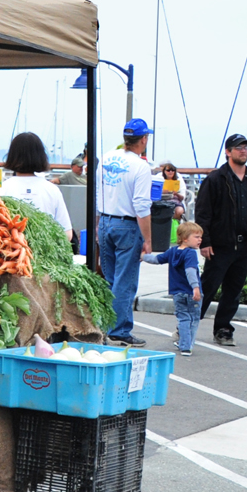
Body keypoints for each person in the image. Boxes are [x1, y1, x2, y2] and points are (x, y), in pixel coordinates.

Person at [194, 133, 247, 348]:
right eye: (238, 147)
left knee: (233, 291)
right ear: (228, 152)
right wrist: (204, 241)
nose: (243, 151)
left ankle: (223, 329)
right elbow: (203, 213)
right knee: (208, 287)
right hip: (219, 246)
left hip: (244, 245)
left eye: (245, 147)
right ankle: (189, 324)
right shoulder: (215, 179)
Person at [96, 118, 155, 345]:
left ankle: (104, 325)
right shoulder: (141, 167)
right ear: (143, 139)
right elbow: (141, 205)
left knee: (109, 279)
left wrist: (98, 222)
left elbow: (98, 192)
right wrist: (148, 239)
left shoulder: (107, 158)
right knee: (125, 281)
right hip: (127, 225)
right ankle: (119, 330)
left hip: (105, 220)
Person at [144, 223, 204, 355]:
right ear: (185, 238)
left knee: (183, 318)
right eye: (196, 237)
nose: (200, 240)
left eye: (200, 237)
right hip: (190, 292)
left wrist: (142, 256)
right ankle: (187, 345)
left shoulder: (172, 251)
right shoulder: (190, 253)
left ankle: (183, 343)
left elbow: (156, 259)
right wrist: (195, 288)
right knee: (193, 319)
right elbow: (190, 271)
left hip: (177, 292)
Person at [0, 131, 73, 233]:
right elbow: (67, 233)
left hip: (9, 243)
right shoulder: (52, 189)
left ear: (12, 156)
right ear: (41, 157)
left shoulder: (2, 189)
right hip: (47, 243)